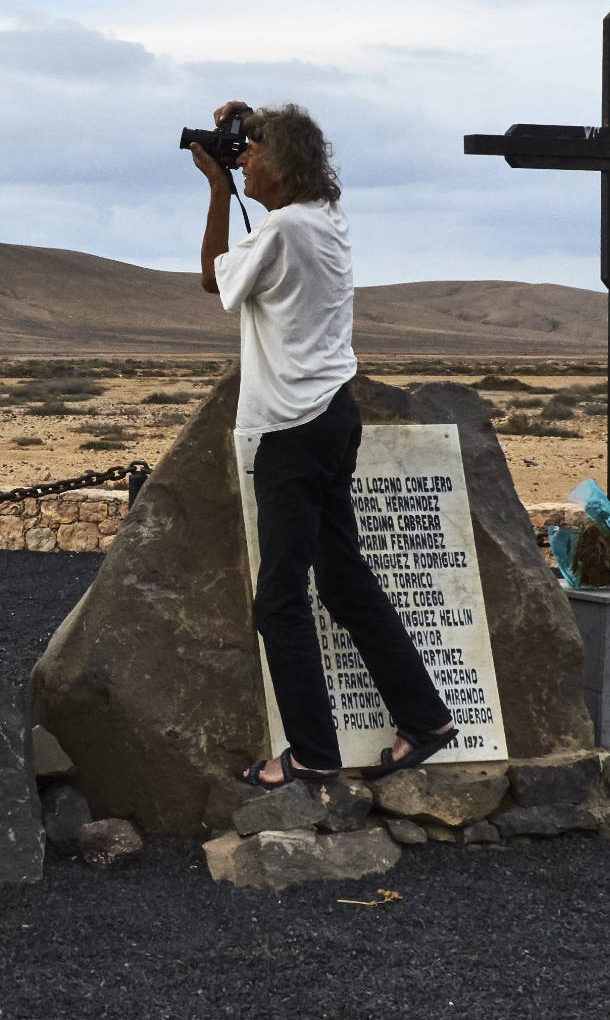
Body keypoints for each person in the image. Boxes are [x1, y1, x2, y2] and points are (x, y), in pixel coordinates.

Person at [188, 100, 457, 787]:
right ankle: (426, 719)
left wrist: (217, 191)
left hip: (292, 428)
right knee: (341, 579)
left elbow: (212, 276)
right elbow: (288, 157)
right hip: (334, 416)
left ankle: (309, 753)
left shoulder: (281, 231)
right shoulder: (327, 221)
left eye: (253, 153)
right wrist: (250, 121)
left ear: (287, 166)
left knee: (279, 597)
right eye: (241, 152)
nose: (244, 159)